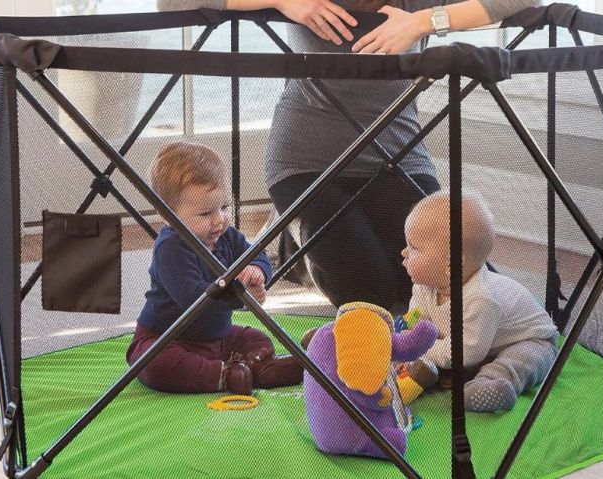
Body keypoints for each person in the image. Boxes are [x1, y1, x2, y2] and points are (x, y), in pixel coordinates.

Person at [157, 0, 537, 314]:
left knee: (467, 285)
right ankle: (309, 246)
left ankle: (302, 248)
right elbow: (170, 2)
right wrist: (283, 1)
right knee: (372, 298)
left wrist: (425, 22)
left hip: (398, 159)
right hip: (306, 164)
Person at [127, 142, 303, 396]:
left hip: (218, 339)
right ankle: (226, 376)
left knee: (256, 339)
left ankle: (253, 370)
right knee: (156, 365)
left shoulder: (227, 236)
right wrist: (241, 295)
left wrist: (257, 270)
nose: (219, 219)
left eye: (224, 207)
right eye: (206, 213)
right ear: (167, 216)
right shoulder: (170, 248)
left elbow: (259, 256)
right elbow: (194, 297)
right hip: (167, 339)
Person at [396, 192, 559, 412]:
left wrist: (421, 350)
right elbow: (419, 328)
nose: (403, 252)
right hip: (479, 343)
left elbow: (463, 352)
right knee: (437, 354)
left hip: (530, 339)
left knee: (520, 361)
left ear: (451, 265)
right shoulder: (424, 287)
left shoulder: (481, 299)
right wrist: (406, 346)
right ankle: (461, 373)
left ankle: (488, 386)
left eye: (414, 248)